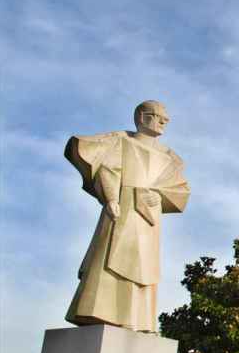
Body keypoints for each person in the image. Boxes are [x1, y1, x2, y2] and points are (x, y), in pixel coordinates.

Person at [64, 100, 190, 332]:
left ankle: (138, 320)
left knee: (144, 267)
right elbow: (108, 170)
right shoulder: (121, 141)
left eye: (166, 119)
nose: (164, 122)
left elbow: (180, 190)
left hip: (149, 219)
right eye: (158, 116)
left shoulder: (171, 157)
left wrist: (160, 197)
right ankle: (100, 311)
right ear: (142, 117)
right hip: (123, 208)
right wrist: (111, 198)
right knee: (110, 256)